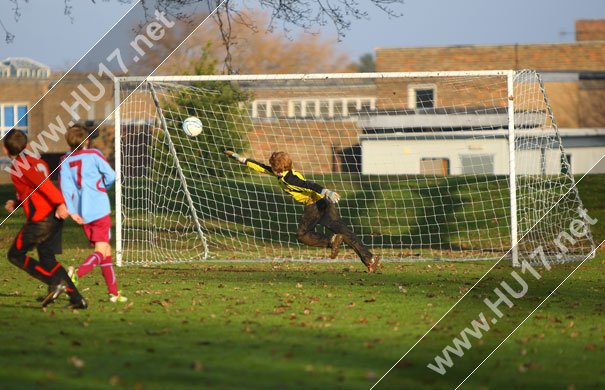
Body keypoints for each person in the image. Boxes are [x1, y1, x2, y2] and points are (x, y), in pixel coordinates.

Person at [224, 150, 380, 273]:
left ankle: (332, 242)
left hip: (316, 204)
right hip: (322, 203)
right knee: (342, 231)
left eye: (273, 166)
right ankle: (369, 259)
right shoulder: (283, 173)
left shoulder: (289, 179)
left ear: (279, 169)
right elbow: (262, 168)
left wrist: (327, 191)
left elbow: (308, 184)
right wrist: (241, 159)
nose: (271, 168)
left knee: (302, 235)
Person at [3, 129, 87, 309]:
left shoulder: (20, 165)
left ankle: (55, 282)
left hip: (42, 219)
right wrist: (18, 202)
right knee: (47, 259)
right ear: (25, 145)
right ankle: (77, 299)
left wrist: (61, 204)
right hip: (52, 217)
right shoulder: (32, 162)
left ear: (4, 149)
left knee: (14, 254)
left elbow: (43, 184)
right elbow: (33, 190)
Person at [59, 125, 127, 303]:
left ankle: (113, 293)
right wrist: (102, 187)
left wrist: (73, 212)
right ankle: (75, 276)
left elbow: (66, 189)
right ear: (86, 141)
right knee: (100, 250)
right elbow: (111, 176)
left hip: (83, 212)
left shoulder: (64, 160)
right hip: (99, 208)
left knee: (105, 250)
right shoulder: (94, 155)